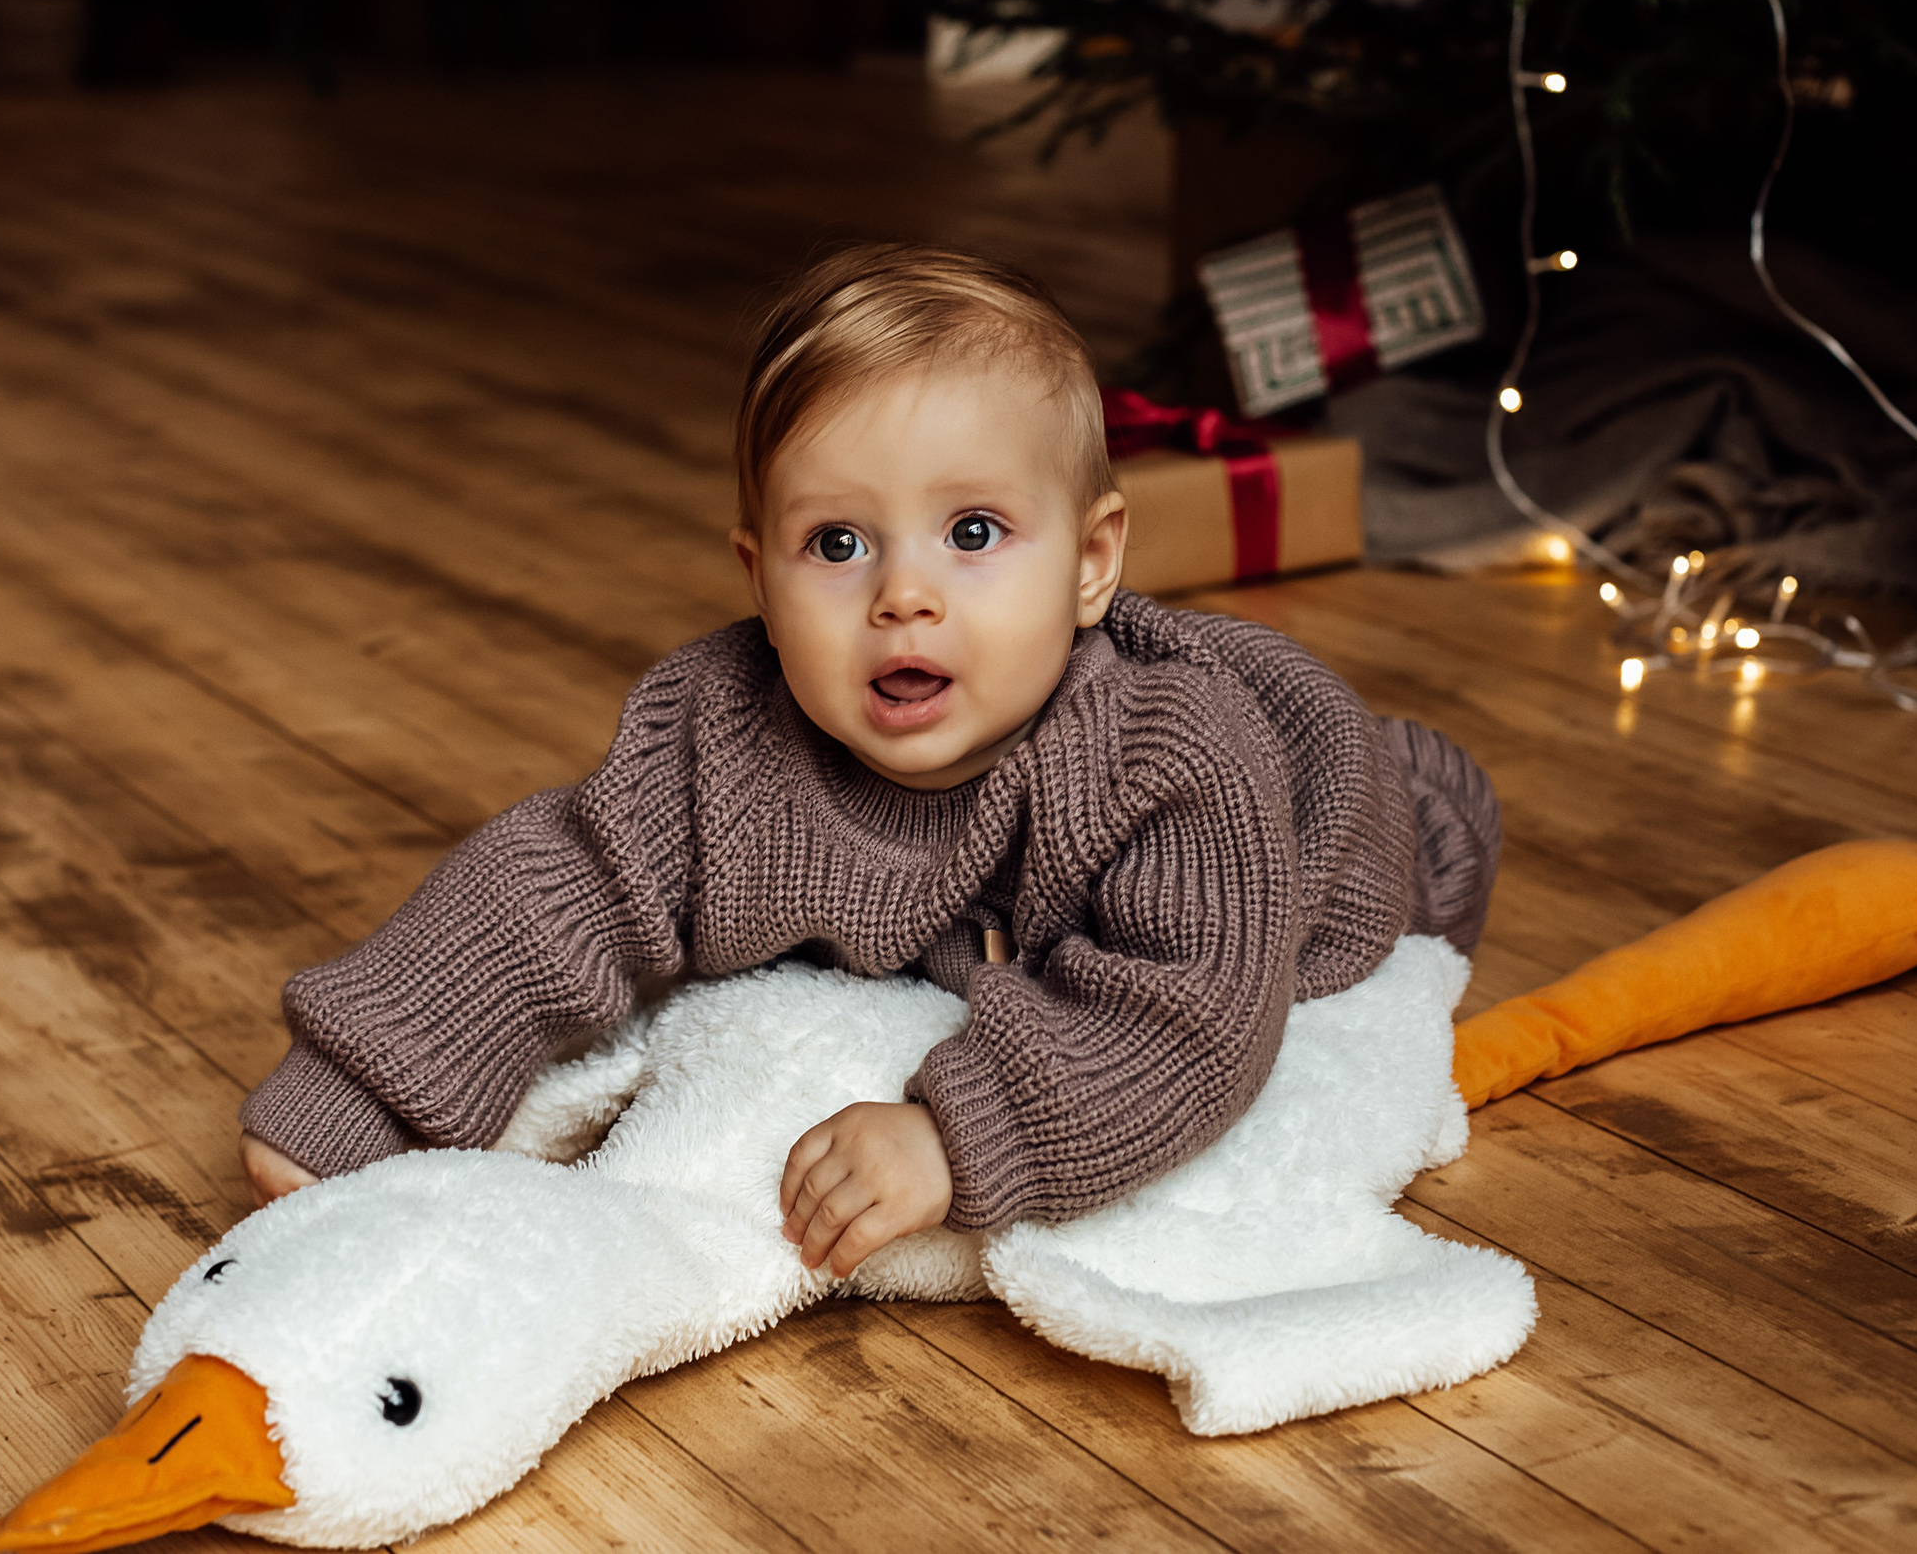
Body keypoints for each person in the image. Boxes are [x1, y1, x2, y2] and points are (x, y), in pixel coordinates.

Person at [237, 242, 1501, 1277]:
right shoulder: (724, 732)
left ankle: (1427, 804)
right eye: (837, 543)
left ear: (1090, 562)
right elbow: (559, 885)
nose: (903, 593)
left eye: (972, 531)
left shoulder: (1172, 754)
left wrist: (957, 1131)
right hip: (999, 920)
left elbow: (1185, 1014)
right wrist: (366, 1080)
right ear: (759, 578)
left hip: (1324, 831)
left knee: (1384, 911)